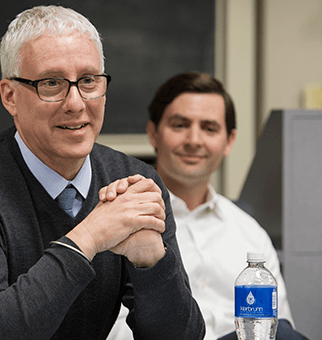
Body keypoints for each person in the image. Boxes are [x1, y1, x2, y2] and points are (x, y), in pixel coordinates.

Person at [0, 7, 205, 340]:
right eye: (51, 84)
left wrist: (151, 262)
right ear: (10, 96)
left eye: (88, 81)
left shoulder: (134, 182)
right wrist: (88, 237)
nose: (75, 103)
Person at [106, 72, 306, 340]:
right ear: (153, 133)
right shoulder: (120, 219)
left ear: (229, 141)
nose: (194, 140)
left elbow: (275, 327)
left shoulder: (250, 233)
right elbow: (107, 327)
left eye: (209, 128)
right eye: (180, 125)